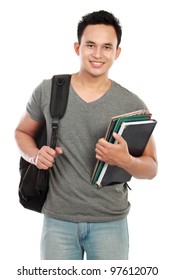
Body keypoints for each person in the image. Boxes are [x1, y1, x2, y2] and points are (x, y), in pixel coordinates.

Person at [14, 10, 158, 260]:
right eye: (90, 45)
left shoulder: (131, 103)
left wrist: (126, 161)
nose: (98, 54)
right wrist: (35, 156)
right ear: (77, 47)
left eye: (107, 47)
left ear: (117, 52)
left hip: (110, 223)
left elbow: (152, 168)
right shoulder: (49, 90)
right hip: (57, 221)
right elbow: (22, 132)